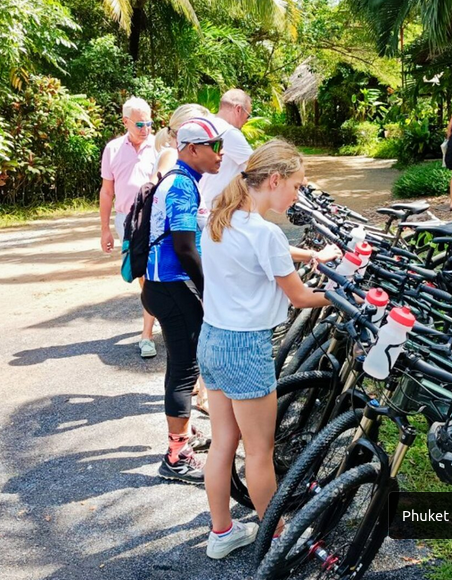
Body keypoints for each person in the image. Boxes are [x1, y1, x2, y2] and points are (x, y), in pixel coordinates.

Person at [196, 140, 341, 559]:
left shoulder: (221, 220)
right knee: (260, 452)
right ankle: (278, 538)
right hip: (245, 348)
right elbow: (299, 298)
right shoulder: (266, 232)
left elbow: (271, 252)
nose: (297, 195)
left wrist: (311, 253)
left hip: (212, 341)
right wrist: (342, 294)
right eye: (295, 186)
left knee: (223, 444)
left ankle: (221, 532)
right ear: (274, 180)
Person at [141, 117, 225, 484]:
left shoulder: (184, 181)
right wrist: (210, 292)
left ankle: (185, 436)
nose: (220, 154)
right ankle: (175, 457)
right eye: (214, 147)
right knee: (184, 370)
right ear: (192, 149)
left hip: (167, 286)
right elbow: (185, 248)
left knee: (181, 364)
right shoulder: (180, 186)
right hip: (172, 287)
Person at [99, 97, 162, 359]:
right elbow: (107, 192)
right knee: (142, 275)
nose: (145, 128)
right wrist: (104, 229)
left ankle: (147, 335)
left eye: (149, 122)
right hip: (127, 219)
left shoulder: (160, 147)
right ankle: (155, 314)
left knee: (152, 274)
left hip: (156, 218)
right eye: (139, 123)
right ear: (125, 122)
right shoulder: (113, 149)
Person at [198, 89, 254, 208]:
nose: (247, 120)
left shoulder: (206, 125)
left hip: (203, 202)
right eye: (247, 115)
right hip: (219, 205)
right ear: (238, 109)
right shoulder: (229, 132)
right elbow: (257, 164)